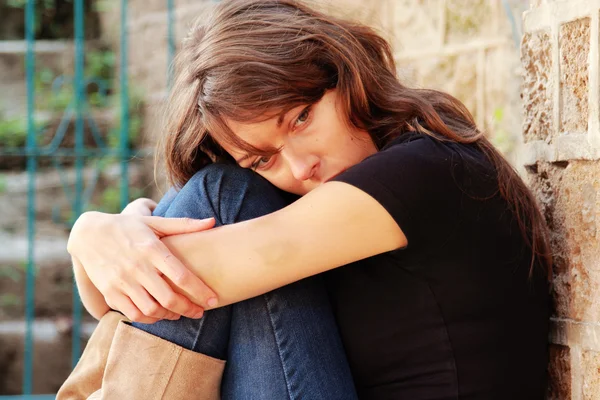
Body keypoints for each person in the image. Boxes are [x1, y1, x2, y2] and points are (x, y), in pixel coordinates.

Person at [58, 0, 552, 399]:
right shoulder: (329, 200)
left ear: (345, 71)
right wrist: (94, 238)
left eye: (300, 118)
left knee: (223, 194)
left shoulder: (426, 170)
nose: (300, 167)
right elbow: (121, 298)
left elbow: (150, 287)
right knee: (219, 193)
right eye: (263, 159)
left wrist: (96, 235)